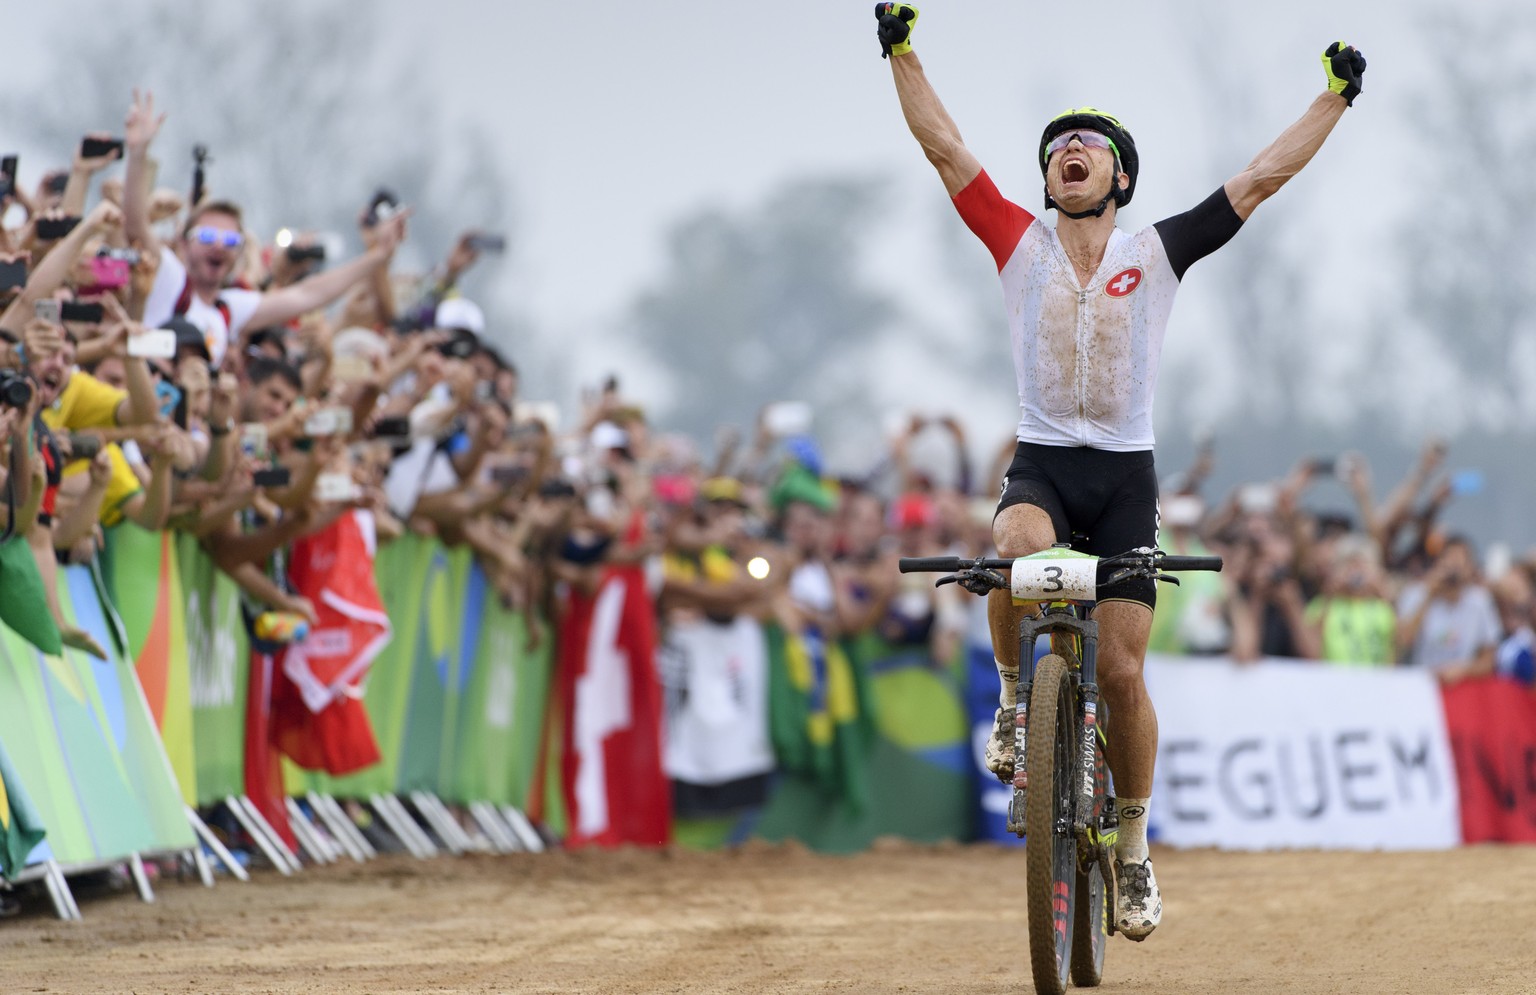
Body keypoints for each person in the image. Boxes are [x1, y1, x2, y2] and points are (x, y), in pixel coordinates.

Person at [875, 3, 1366, 938]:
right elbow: (944, 149)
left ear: (1119, 175)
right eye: (1058, 142)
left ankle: (1134, 848)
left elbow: (1263, 177)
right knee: (1012, 547)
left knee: (1126, 671)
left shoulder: (1159, 251)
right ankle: (1019, 705)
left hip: (1127, 478)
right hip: (1047, 463)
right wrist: (902, 51)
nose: (1069, 148)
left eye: (1088, 144)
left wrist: (1334, 97)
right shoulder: (1016, 241)